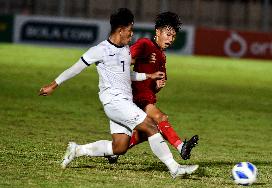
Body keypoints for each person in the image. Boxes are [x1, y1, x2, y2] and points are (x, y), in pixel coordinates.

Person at [39, 8, 198, 178]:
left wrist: (149, 75)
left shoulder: (124, 50)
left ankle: (77, 150)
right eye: (130, 30)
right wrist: (54, 85)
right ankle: (175, 169)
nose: (132, 34)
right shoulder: (100, 50)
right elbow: (75, 68)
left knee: (119, 147)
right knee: (152, 127)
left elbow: (126, 74)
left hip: (125, 102)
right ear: (121, 30)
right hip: (114, 101)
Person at [107, 12, 198, 164]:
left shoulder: (162, 57)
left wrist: (157, 86)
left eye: (173, 36)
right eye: (168, 34)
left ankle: (114, 152)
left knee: (147, 132)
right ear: (158, 32)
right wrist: (141, 58)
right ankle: (181, 147)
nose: (170, 39)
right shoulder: (145, 44)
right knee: (160, 118)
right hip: (134, 97)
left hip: (144, 98)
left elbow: (154, 85)